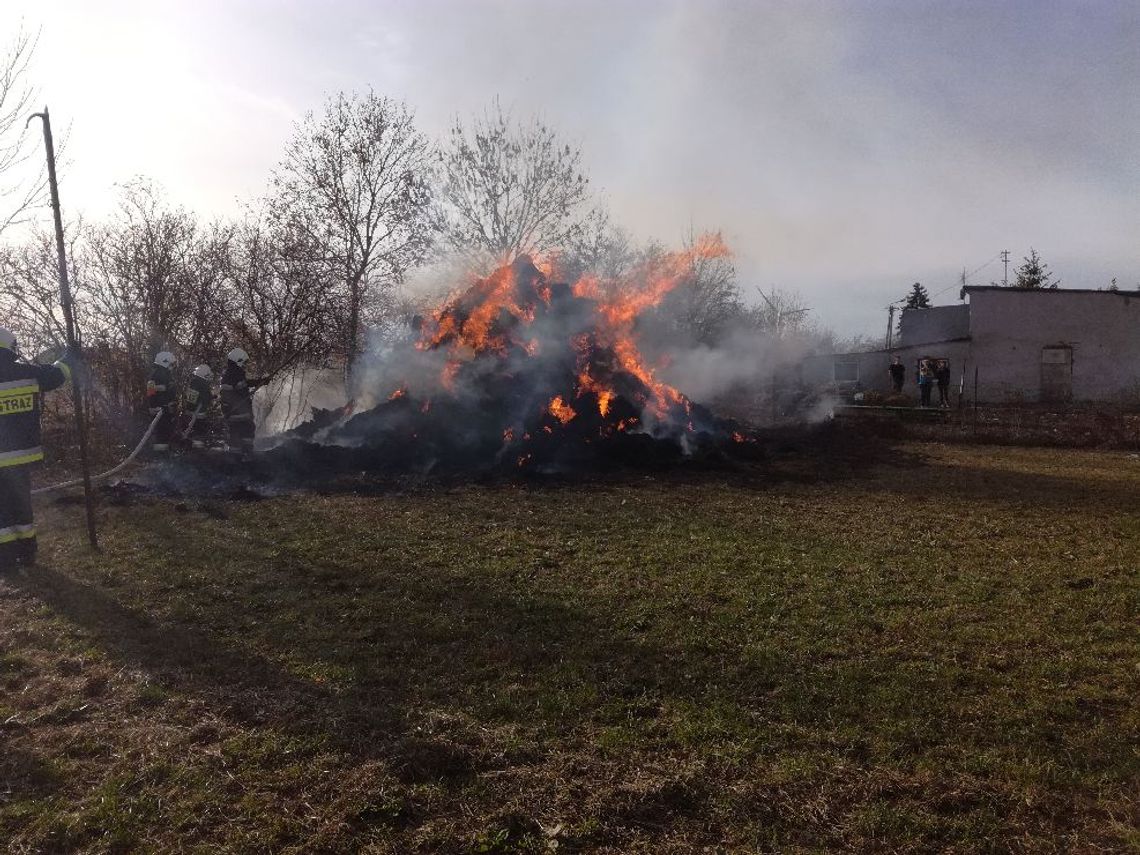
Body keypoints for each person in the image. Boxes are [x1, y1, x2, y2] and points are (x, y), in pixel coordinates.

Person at [0, 327, 72, 572]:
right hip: (20, 456)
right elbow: (57, 374)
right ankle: (27, 554)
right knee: (21, 504)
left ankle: (5, 559)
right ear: (11, 348)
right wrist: (68, 358)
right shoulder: (27, 372)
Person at [219, 348, 269, 455]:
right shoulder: (236, 374)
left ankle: (233, 462)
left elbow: (242, 385)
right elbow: (242, 389)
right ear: (239, 360)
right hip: (241, 414)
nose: (245, 365)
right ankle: (246, 458)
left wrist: (259, 382)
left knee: (235, 439)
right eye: (244, 362)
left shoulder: (228, 374)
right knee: (247, 435)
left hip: (232, 414)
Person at [146, 351, 179, 454]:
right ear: (165, 362)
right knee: (161, 433)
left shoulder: (164, 373)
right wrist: (162, 405)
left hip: (164, 409)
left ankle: (165, 455)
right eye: (171, 364)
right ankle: (161, 458)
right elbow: (151, 392)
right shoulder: (158, 374)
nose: (172, 366)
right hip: (160, 409)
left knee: (166, 433)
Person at [184, 364, 214, 448]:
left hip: (192, 413)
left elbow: (192, 399)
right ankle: (197, 450)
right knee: (198, 432)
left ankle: (191, 447)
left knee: (192, 431)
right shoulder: (201, 384)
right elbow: (203, 398)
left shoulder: (195, 382)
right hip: (197, 414)